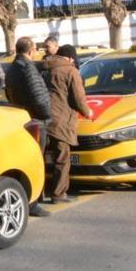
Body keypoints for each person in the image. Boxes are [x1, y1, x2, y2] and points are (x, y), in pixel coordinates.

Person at [5, 37, 53, 217]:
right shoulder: (27, 69)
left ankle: (31, 200)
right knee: (35, 161)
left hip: (24, 116)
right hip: (36, 120)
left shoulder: (14, 67)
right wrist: (47, 115)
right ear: (31, 50)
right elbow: (39, 97)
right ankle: (34, 202)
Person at [44, 44, 92, 204]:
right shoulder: (71, 71)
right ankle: (58, 194)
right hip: (60, 120)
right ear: (71, 58)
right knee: (62, 158)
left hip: (41, 118)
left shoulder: (43, 68)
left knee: (41, 157)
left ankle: (37, 195)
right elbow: (79, 98)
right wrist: (88, 112)